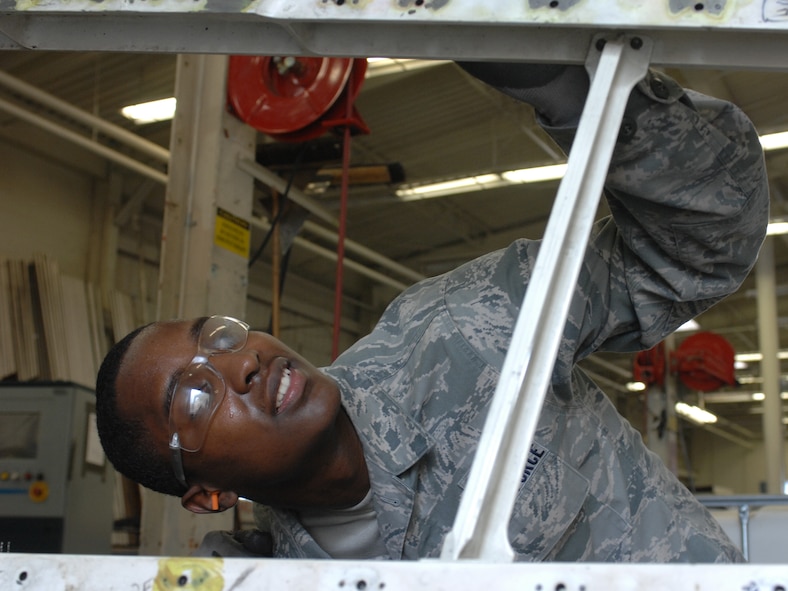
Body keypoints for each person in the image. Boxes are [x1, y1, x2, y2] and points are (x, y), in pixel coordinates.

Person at [96, 59, 768, 562]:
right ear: (208, 493)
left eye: (220, 336)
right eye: (193, 396)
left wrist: (575, 91)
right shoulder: (275, 581)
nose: (241, 363)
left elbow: (701, 245)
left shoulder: (470, 327)